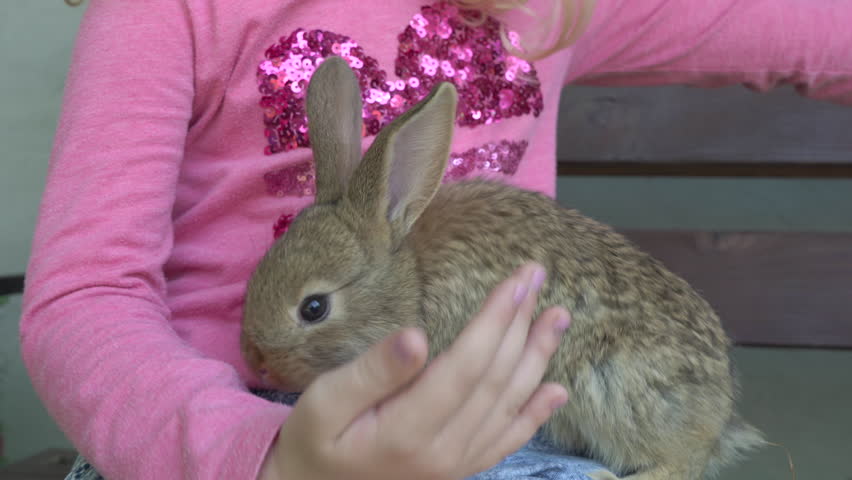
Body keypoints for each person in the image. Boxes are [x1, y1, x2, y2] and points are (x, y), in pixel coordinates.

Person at [19, 0, 852, 479]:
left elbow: (809, 29)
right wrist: (264, 458)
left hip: (490, 435)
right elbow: (84, 299)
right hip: (215, 443)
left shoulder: (545, 6)